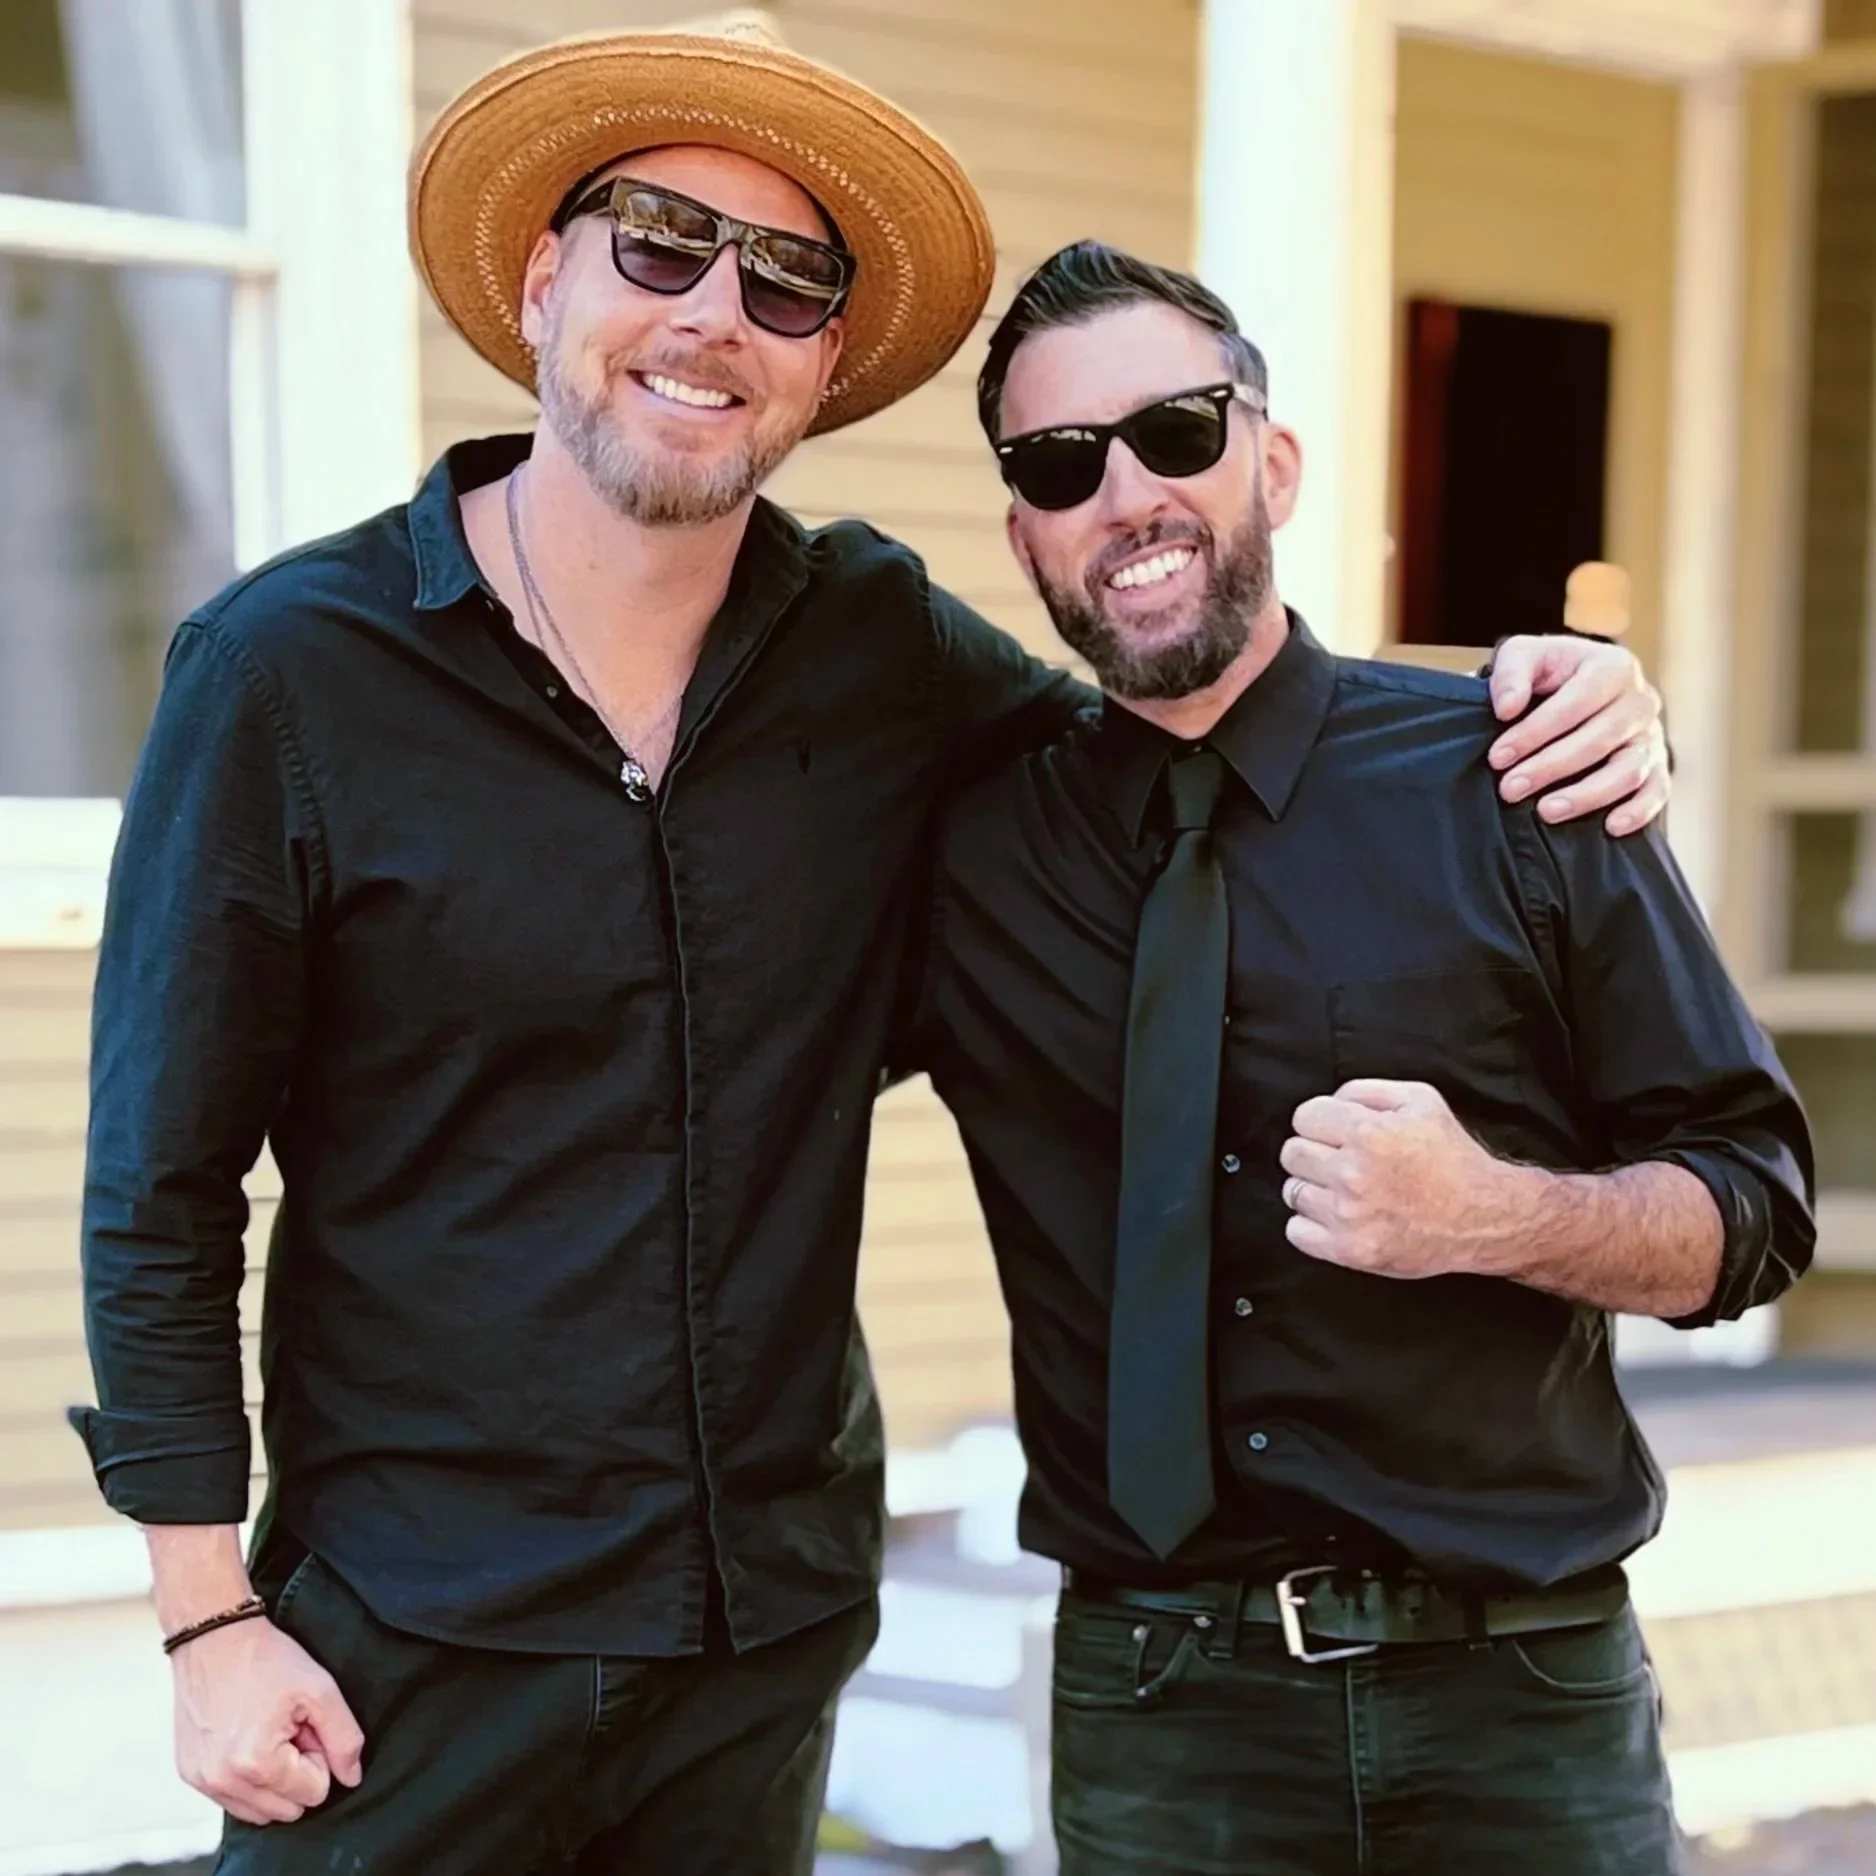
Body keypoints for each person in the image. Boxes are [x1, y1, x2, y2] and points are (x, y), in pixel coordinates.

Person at [70, 21, 1669, 1876]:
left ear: (823, 364)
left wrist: (1527, 704)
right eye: (658, 242)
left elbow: (1186, 724)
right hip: (403, 1651)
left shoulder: (885, 653)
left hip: (759, 1646)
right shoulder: (285, 676)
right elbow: (159, 1189)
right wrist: (204, 1619)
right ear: (543, 280)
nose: (712, 311)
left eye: (787, 277)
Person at [914, 242, 1815, 1876]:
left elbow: (1755, 1210)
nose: (1127, 496)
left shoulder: (1520, 777)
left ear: (1272, 460)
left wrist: (1494, 1217)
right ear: (1024, 534)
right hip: (1159, 1705)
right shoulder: (966, 849)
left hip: (1518, 1694)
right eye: (1062, 465)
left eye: (1175, 434)